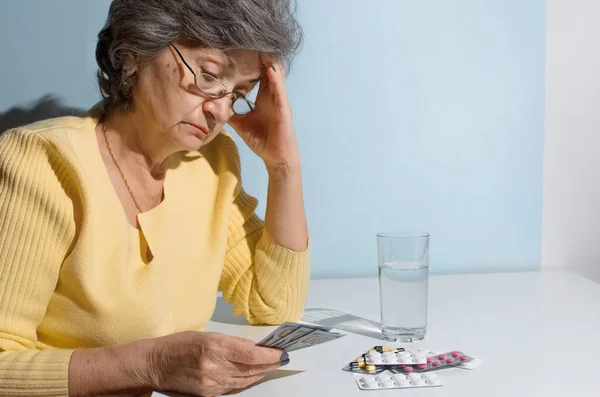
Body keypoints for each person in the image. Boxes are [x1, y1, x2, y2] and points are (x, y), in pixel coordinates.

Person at [0, 0, 310, 396]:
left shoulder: (212, 162)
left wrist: (284, 168)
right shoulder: (42, 162)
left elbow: (274, 302)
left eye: (238, 94)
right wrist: (151, 365)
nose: (219, 109)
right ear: (134, 53)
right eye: (210, 75)